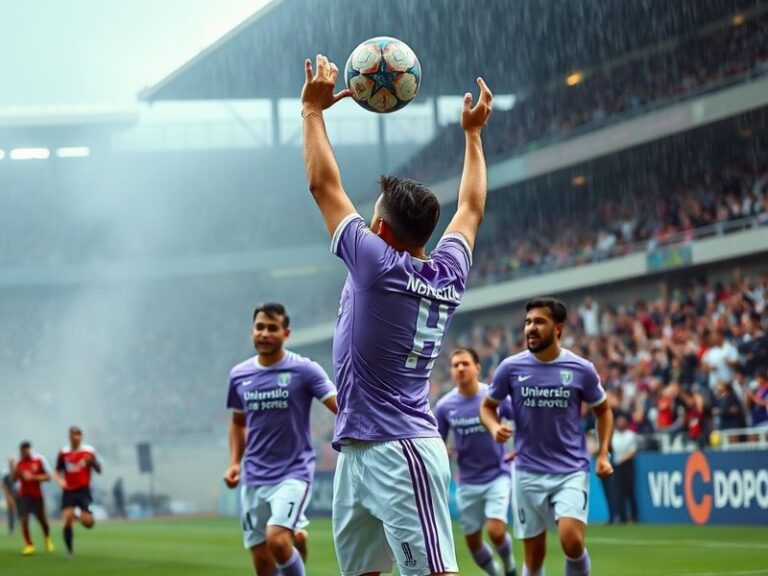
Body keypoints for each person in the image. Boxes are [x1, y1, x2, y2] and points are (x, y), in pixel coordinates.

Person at [301, 53, 492, 576]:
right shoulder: (448, 268)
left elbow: (323, 186)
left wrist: (312, 113)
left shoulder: (375, 264)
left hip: (400, 449)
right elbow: (470, 209)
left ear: (381, 230)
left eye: (373, 215)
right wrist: (472, 137)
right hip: (359, 448)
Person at [480, 297, 614, 576]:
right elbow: (487, 407)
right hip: (527, 472)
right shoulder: (510, 368)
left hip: (571, 470)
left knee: (572, 540)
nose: (531, 328)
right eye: (528, 322)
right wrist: (494, 428)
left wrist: (602, 454)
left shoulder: (581, 369)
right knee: (535, 554)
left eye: (539, 322)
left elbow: (604, 411)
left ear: (558, 329)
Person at [223, 303, 338, 576]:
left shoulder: (305, 370)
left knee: (276, 539)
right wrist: (235, 463)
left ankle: (291, 543)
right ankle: (297, 546)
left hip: (293, 472)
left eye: (272, 328)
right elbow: (238, 423)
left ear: (286, 334)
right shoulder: (239, 375)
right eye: (259, 327)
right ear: (252, 332)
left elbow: (339, 406)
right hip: (253, 477)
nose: (264, 333)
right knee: (263, 563)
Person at [435, 348, 517, 576]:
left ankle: (509, 566)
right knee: (472, 542)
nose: (460, 368)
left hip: (497, 475)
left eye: (465, 363)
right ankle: (495, 573)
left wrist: (519, 447)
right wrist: (445, 451)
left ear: (477, 367)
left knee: (496, 531)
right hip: (467, 481)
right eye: (455, 365)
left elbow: (522, 418)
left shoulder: (495, 396)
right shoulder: (444, 406)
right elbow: (436, 441)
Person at [53, 426, 102, 558]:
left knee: (87, 523)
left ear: (82, 436)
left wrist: (92, 462)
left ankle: (79, 514)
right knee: (67, 519)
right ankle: (69, 551)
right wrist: (60, 481)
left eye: (78, 435)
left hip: (84, 491)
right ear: (69, 436)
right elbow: (56, 471)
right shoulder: (63, 453)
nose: (76, 437)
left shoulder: (89, 451)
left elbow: (99, 470)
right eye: (74, 435)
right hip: (69, 491)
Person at [12, 441, 54, 555]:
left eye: (27, 450)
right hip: (24, 496)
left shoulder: (39, 460)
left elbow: (49, 477)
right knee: (24, 520)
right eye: (23, 451)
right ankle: (29, 545)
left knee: (42, 520)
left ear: (30, 449)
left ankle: (47, 539)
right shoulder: (20, 463)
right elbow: (14, 479)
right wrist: (16, 471)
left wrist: (33, 477)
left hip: (37, 496)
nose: (25, 453)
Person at [610, 414, 639, 524]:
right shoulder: (613, 435)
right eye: (619, 421)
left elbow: (633, 452)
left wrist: (622, 459)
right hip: (617, 466)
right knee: (618, 492)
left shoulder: (631, 435)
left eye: (622, 421)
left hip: (627, 465)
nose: (620, 423)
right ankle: (621, 517)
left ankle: (633, 517)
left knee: (629, 491)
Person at [2, 459, 17, 537]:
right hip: (10, 496)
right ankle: (12, 529)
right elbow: (4, 486)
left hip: (18, 495)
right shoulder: (6, 474)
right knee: (11, 513)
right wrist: (8, 496)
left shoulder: (17, 473)